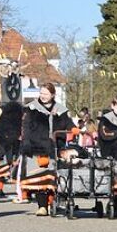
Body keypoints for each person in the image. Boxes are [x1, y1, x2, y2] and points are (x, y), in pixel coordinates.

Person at [19, 83, 75, 217]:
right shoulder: (31, 108)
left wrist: (73, 129)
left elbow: (68, 123)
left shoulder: (60, 110)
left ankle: (53, 203)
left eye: (46, 94)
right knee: (41, 177)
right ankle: (42, 206)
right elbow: (26, 127)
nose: (43, 96)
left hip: (56, 146)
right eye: (41, 93)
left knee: (55, 176)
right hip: (38, 146)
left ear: (53, 95)